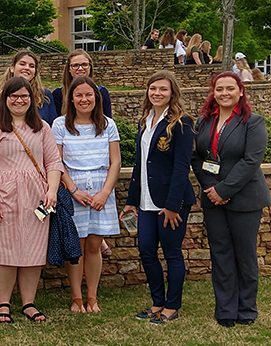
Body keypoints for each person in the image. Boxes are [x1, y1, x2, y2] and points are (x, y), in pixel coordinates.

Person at [0, 77, 63, 323]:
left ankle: (28, 303)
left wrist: (52, 190)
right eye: (14, 96)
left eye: (24, 96)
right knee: (4, 250)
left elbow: (54, 162)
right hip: (4, 196)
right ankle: (3, 303)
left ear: (32, 99)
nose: (19, 100)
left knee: (32, 250)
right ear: (5, 99)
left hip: (37, 198)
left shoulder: (42, 128)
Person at [191, 71, 271, 328]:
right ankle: (225, 309)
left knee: (244, 256)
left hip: (245, 199)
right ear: (213, 93)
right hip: (212, 197)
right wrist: (210, 187)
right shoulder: (204, 122)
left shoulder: (253, 122)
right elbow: (196, 157)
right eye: (219, 89)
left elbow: (251, 161)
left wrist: (224, 190)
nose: (224, 93)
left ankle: (246, 309)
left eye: (230, 89)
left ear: (241, 91)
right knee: (221, 254)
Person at [122, 71, 195, 324]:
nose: (157, 93)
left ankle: (172, 306)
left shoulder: (182, 123)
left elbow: (181, 167)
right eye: (153, 89)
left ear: (172, 92)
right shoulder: (146, 120)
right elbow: (139, 164)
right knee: (146, 251)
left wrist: (172, 206)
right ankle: (157, 302)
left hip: (171, 202)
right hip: (145, 201)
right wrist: (132, 200)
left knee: (172, 253)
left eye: (163, 89)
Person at [52, 76, 121, 313]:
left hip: (101, 188)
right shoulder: (60, 124)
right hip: (73, 189)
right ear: (71, 98)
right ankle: (76, 297)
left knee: (93, 245)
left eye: (88, 95)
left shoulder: (108, 124)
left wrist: (105, 193)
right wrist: (73, 190)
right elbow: (56, 162)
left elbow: (115, 162)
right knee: (76, 245)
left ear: (96, 97)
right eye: (79, 95)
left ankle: (93, 296)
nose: (84, 99)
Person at [0, 50, 57, 126]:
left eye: (32, 66)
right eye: (22, 64)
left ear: (35, 72)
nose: (27, 68)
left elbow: (52, 125)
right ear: (12, 68)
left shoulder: (45, 95)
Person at [52, 49, 113, 118]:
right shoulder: (58, 94)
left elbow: (107, 121)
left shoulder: (101, 92)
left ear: (90, 67)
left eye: (84, 64)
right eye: (75, 65)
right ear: (69, 68)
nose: (80, 68)